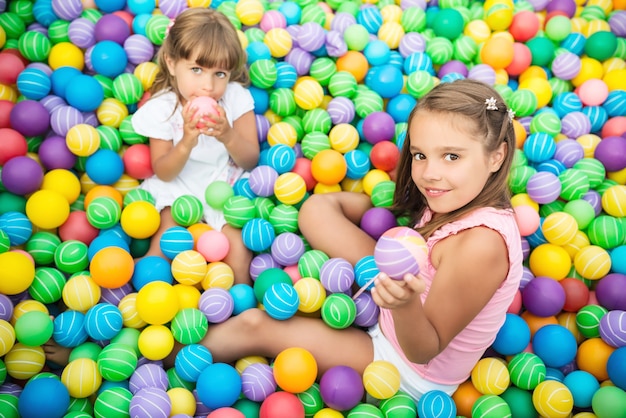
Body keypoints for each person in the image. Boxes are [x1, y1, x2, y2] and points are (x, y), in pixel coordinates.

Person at [196, 79, 523, 402]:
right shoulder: (455, 195)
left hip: (402, 366)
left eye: (452, 156)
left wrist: (404, 304)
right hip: (392, 293)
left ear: (496, 156)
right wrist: (380, 209)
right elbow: (368, 212)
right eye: (420, 155)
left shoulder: (481, 245)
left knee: (256, 324)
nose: (429, 174)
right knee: (315, 211)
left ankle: (162, 356)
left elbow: (424, 349)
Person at [131, 8, 259, 284]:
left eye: (220, 74)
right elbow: (164, 171)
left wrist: (227, 135)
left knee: (237, 249)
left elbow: (250, 159)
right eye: (197, 70)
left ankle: (237, 314)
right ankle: (148, 297)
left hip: (224, 186)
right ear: (172, 63)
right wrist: (187, 141)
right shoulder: (163, 109)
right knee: (166, 243)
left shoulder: (236, 99)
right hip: (178, 187)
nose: (208, 86)